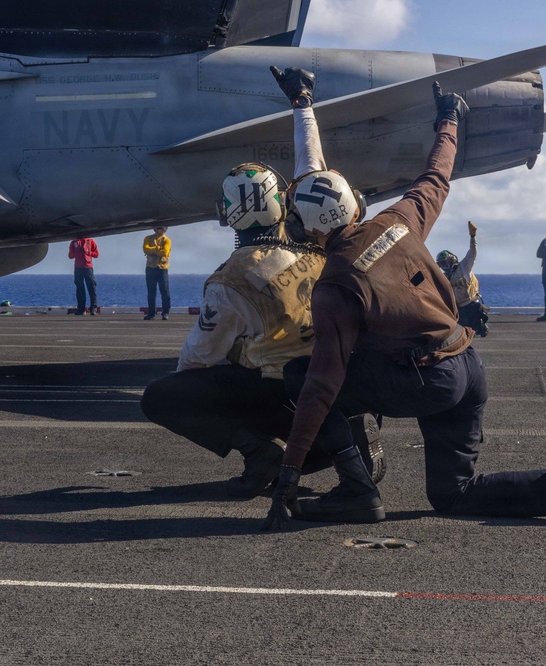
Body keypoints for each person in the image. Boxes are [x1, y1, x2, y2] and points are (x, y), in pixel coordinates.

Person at [262, 81, 546, 530]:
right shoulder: (400, 220)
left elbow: (321, 386)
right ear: (353, 205)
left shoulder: (335, 287)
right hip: (467, 365)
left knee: (303, 377)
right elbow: (437, 175)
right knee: (453, 495)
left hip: (428, 380)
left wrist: (288, 476)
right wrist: (450, 117)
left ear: (305, 227)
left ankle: (357, 491)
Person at [140, 66, 384, 498]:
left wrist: (232, 357)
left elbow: (195, 362)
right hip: (343, 385)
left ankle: (259, 452)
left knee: (162, 396)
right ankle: (343, 435)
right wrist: (302, 103)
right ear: (282, 201)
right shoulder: (319, 235)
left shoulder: (230, 281)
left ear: (226, 214)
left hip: (287, 400)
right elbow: (313, 163)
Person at [436, 221, 489, 337]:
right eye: (441, 264)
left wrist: (472, 237)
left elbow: (472, 253)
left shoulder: (464, 267)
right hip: (457, 308)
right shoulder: (444, 277)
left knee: (475, 330)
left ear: (451, 260)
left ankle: (481, 325)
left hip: (471, 304)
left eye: (445, 262)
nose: (444, 266)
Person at [143, 226, 172, 320]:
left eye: (164, 228)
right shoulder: (147, 238)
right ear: (155, 229)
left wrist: (153, 250)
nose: (163, 230)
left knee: (165, 291)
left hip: (162, 268)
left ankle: (165, 313)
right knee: (151, 292)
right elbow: (145, 249)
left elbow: (165, 252)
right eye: (161, 228)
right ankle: (151, 313)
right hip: (150, 267)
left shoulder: (167, 240)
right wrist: (158, 249)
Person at [68, 237, 100, 315]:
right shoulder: (74, 242)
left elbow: (96, 254)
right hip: (78, 268)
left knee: (91, 287)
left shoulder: (90, 241)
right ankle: (81, 309)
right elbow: (70, 256)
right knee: (80, 288)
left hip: (88, 267)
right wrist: (77, 252)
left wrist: (88, 253)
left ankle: (93, 308)